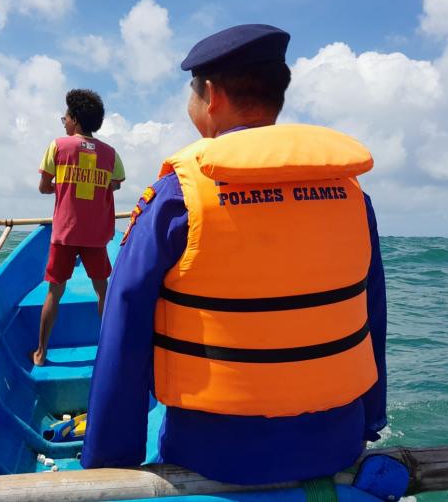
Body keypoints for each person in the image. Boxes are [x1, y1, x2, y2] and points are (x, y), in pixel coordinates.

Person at [81, 24, 387, 485]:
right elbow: (370, 314)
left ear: (212, 95)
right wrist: (368, 420)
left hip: (213, 451)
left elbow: (124, 326)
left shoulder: (176, 197)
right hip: (336, 442)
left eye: (192, 91)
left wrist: (109, 459)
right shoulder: (351, 196)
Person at [33, 89, 125, 366]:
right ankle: (111, 351)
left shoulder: (58, 146)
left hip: (65, 233)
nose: (64, 121)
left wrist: (62, 187)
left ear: (74, 119)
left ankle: (40, 354)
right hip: (96, 235)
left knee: (54, 292)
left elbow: (43, 187)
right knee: (102, 290)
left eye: (65, 117)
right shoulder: (110, 153)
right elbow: (116, 182)